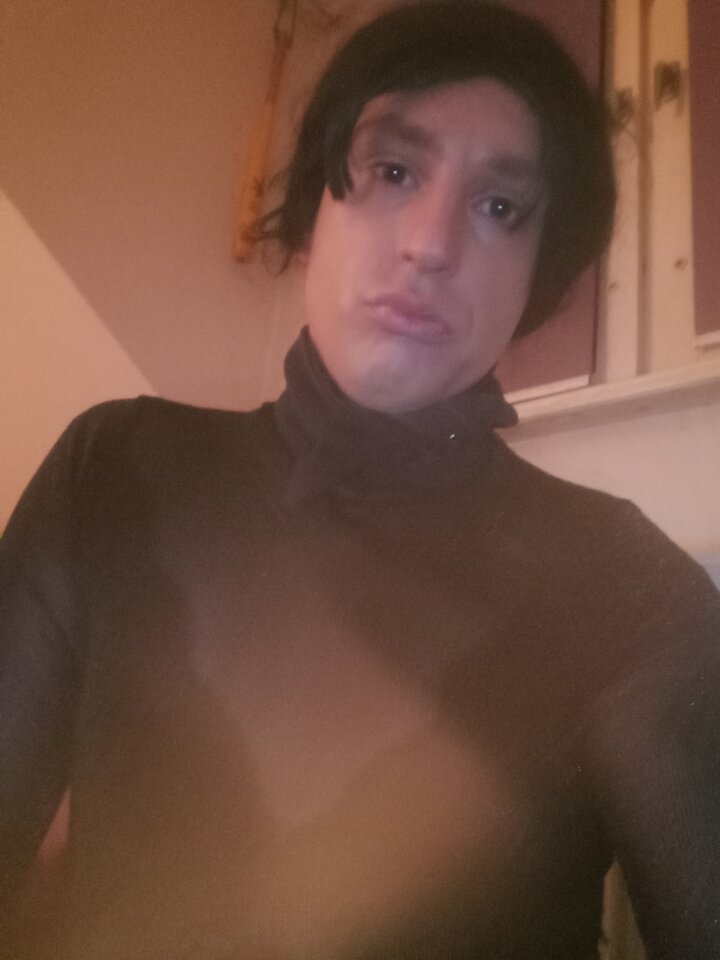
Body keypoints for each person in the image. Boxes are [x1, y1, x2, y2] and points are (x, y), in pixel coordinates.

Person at [1, 2, 719, 958]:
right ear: (314, 211)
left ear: (536, 277)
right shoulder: (113, 470)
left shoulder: (628, 587)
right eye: (393, 170)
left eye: (500, 207)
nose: (430, 243)